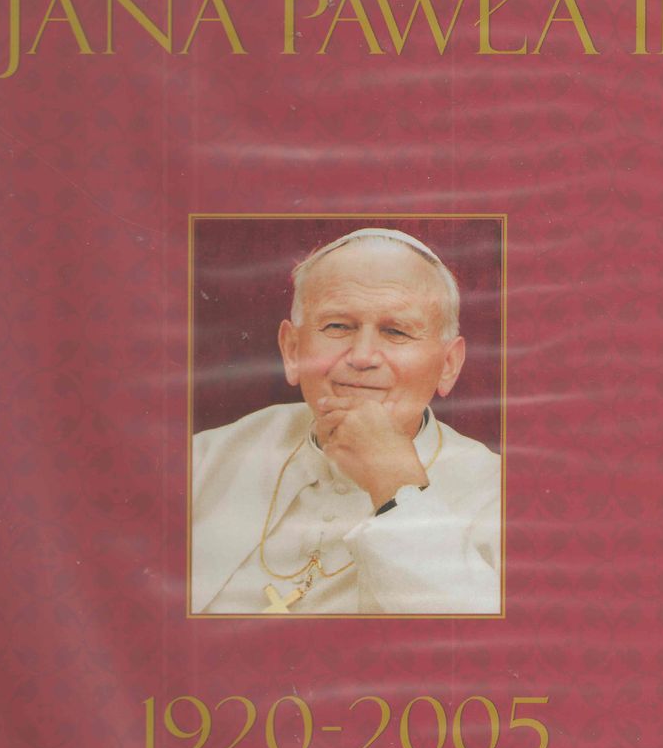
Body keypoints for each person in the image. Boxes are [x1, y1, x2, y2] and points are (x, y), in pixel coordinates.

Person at [191, 228, 502, 615]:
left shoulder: (498, 494)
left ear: (448, 365)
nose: (362, 356)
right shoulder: (203, 460)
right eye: (338, 326)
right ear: (292, 350)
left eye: (396, 331)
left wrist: (396, 486)